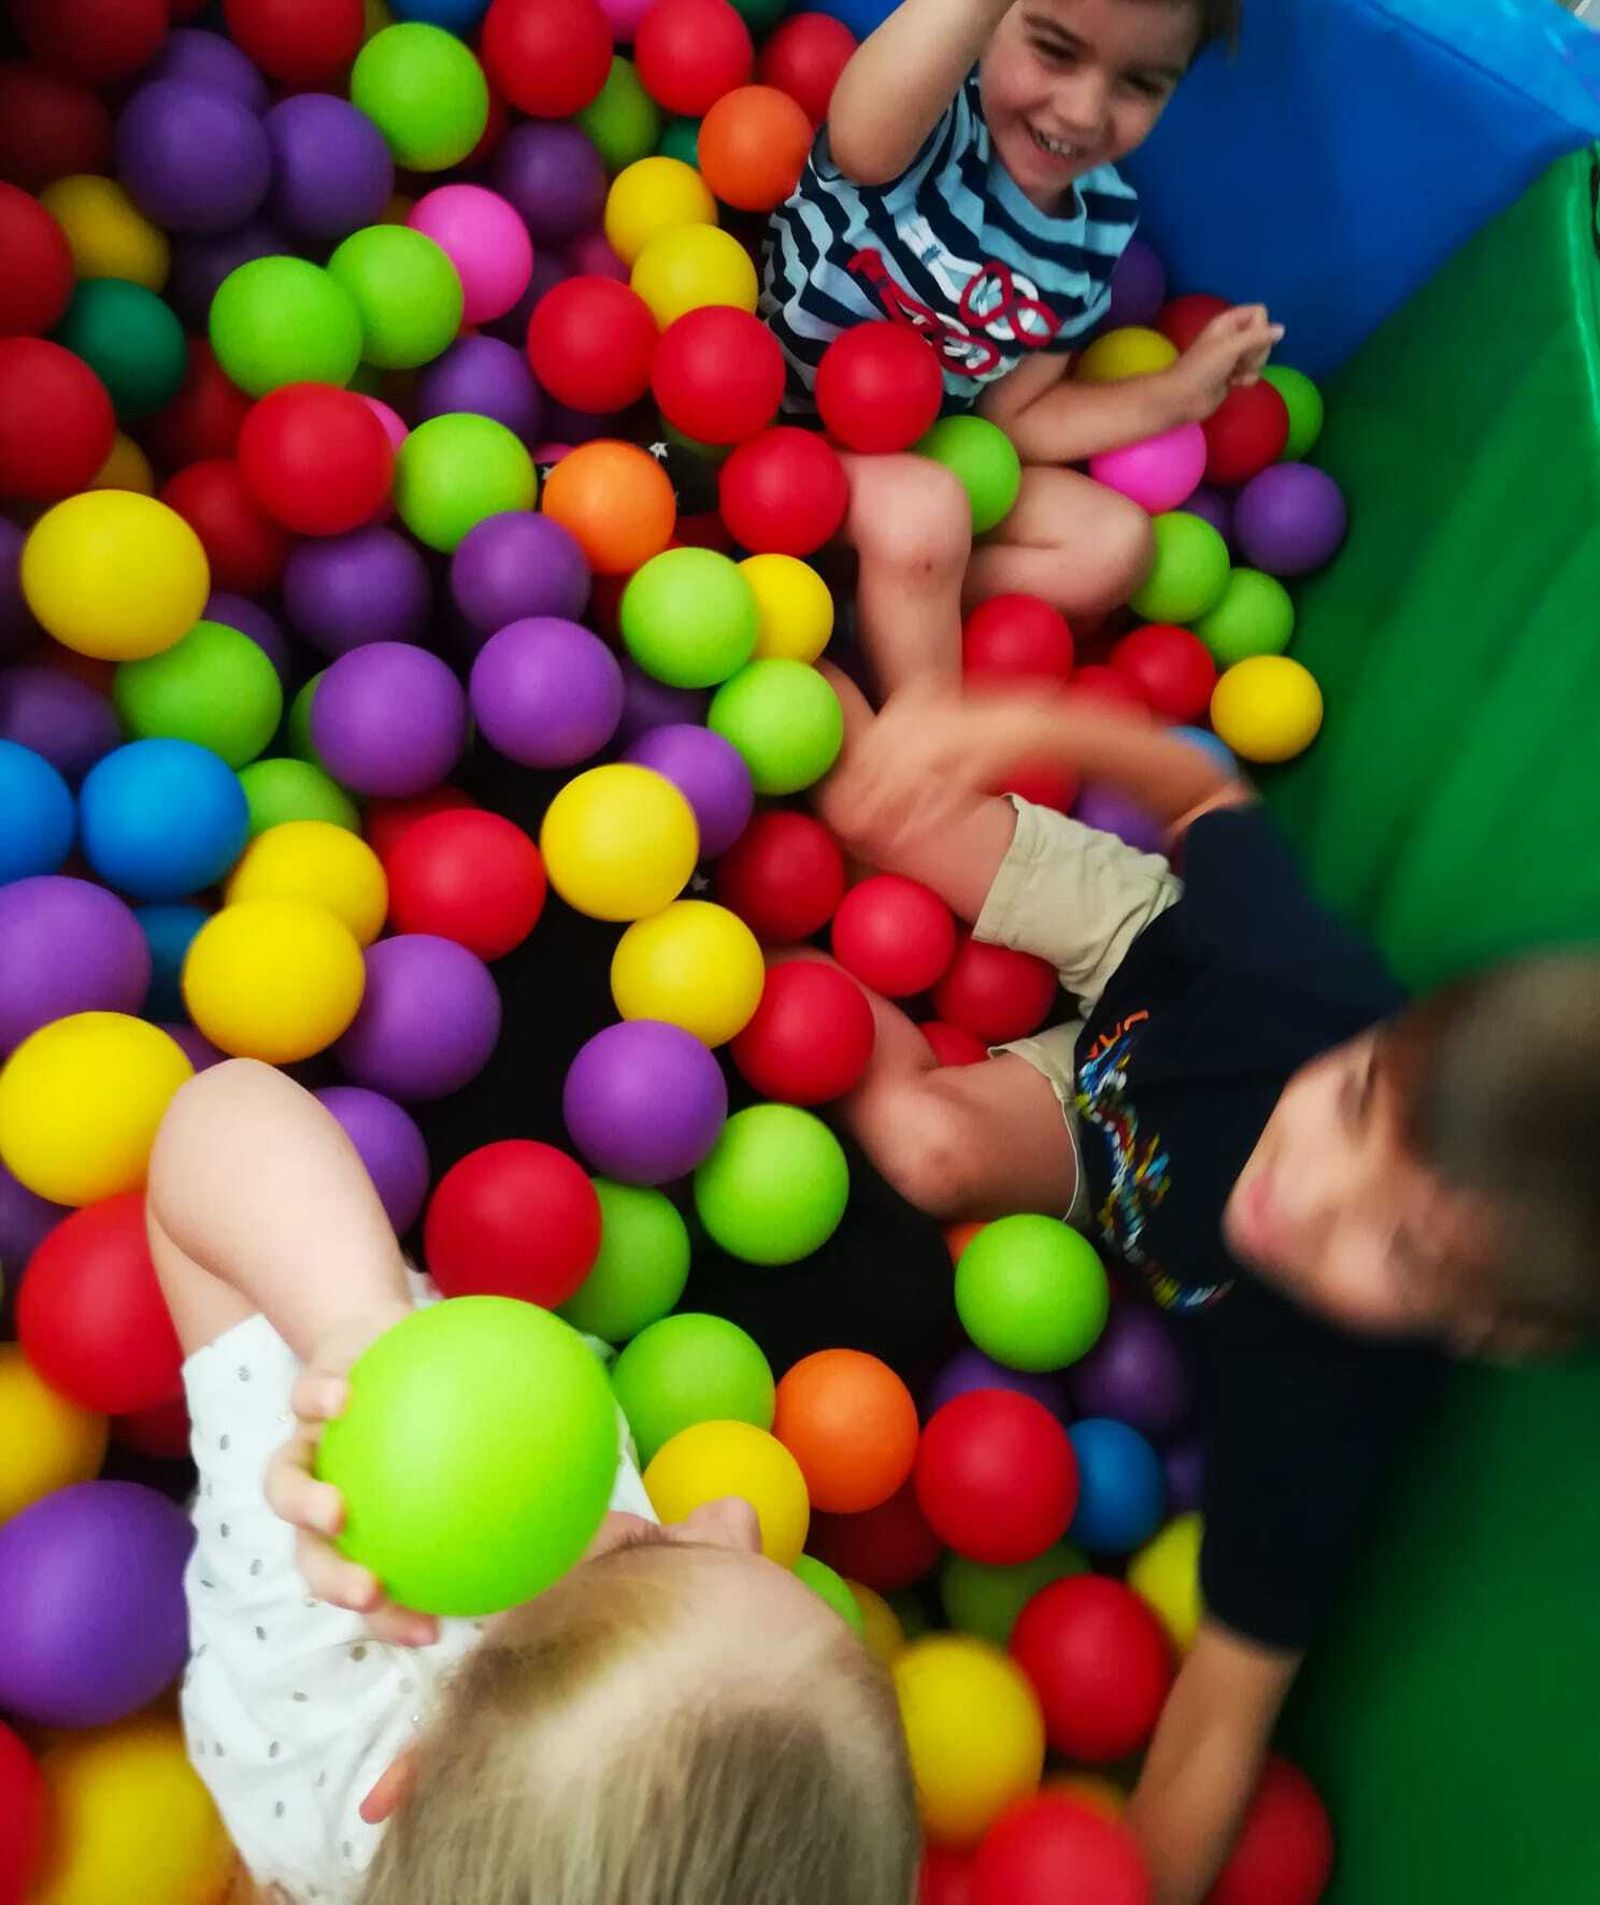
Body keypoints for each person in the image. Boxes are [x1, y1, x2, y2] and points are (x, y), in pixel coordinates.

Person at [811, 670, 1600, 1904]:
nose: (1309, 1188)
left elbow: (1219, 1721)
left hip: (1100, 1134)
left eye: (1400, 1249)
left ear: (1482, 1329)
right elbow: (1201, 793)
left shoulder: (1335, 1410)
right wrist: (1014, 725)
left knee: (925, 1150)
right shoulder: (1298, 986)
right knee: (886, 811)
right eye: (1355, 1101)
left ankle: (800, 975)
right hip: (1142, 950)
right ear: (1377, 1043)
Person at [147, 1058, 919, 1905]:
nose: (735, 1513)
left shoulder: (331, 1609)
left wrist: (363, 1332)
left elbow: (209, 1128)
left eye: (648, 1546)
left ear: (407, 1779)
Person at [762, 0, 1278, 693]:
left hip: (917, 469)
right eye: (1055, 51)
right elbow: (860, 142)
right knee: (928, 512)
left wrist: (1181, 393)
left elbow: (1015, 417)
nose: (1083, 112)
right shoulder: (934, 121)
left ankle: (868, 609)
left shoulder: (1097, 228)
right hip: (769, 434)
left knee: (1115, 546)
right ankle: (926, 734)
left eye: (1140, 83)